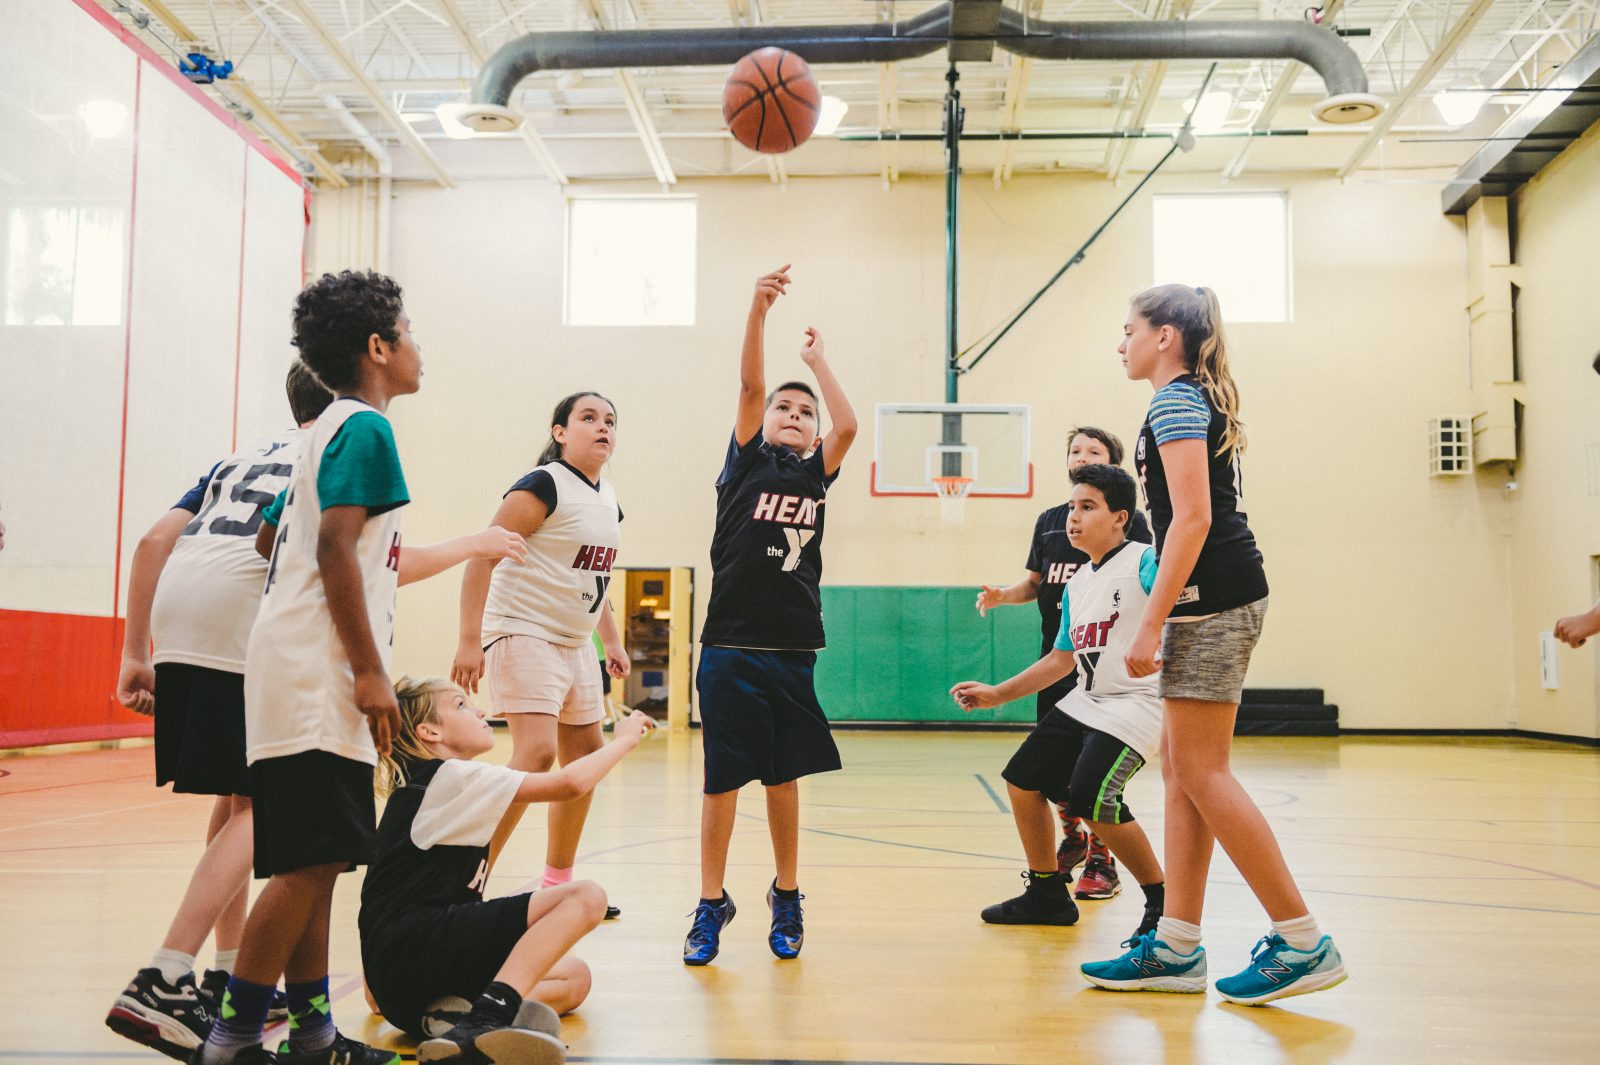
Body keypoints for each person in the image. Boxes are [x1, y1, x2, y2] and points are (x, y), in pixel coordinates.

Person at [191, 270, 519, 1065]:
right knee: (306, 866)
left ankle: (313, 1035)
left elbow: (278, 540)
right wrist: (372, 672)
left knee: (324, 858)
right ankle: (234, 1036)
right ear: (379, 347)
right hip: (319, 674)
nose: (417, 345)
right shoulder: (367, 430)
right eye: (408, 331)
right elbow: (335, 545)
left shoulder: (322, 431)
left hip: (295, 666)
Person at [1080, 284, 1346, 1005]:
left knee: (1203, 769)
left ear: (1165, 336)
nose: (1121, 340)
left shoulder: (1173, 401)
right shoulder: (1183, 397)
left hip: (1215, 599)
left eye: (1128, 328)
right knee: (1182, 771)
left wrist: (1151, 618)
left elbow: (1192, 519)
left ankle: (1302, 939)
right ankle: (1176, 944)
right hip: (1215, 597)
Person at [106, 362, 331, 1060]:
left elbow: (150, 541)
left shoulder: (236, 456)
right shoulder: (341, 447)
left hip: (180, 614)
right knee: (275, 799)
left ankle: (223, 975)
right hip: (244, 618)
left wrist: (134, 650)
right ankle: (165, 971)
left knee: (242, 795)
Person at [683, 265, 857, 966]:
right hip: (729, 640)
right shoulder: (747, 466)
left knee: (782, 779)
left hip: (791, 647)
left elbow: (848, 422)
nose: (793, 413)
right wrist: (757, 311)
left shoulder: (817, 472)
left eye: (802, 411)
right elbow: (751, 387)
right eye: (786, 407)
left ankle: (786, 893)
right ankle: (709, 900)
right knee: (722, 779)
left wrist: (819, 362)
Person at [360, 677, 654, 1062]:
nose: (480, 710)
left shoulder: (436, 788)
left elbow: (381, 897)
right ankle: (486, 1017)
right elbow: (570, 784)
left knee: (574, 978)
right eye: (461, 705)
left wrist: (378, 987)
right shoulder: (450, 776)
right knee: (586, 897)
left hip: (401, 982)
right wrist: (625, 739)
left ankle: (453, 1013)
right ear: (429, 731)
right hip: (415, 951)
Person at [954, 464, 1167, 939]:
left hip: (1138, 702)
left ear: (1121, 517)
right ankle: (1047, 892)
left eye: (1087, 507)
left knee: (1094, 797)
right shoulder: (1076, 583)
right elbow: (1060, 660)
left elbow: (1180, 602)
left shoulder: (1145, 561)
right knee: (1022, 780)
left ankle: (1161, 903)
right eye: (1071, 507)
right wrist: (997, 694)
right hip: (1089, 698)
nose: (1073, 517)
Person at [451, 392, 629, 908]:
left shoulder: (607, 496)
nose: (603, 428)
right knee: (536, 753)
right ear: (559, 432)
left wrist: (610, 641)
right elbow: (480, 558)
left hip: (575, 643)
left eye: (610, 421)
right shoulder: (542, 485)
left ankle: (554, 882)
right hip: (523, 629)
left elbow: (595, 577)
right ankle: (467, 878)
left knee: (587, 758)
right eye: (588, 418)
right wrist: (468, 641)